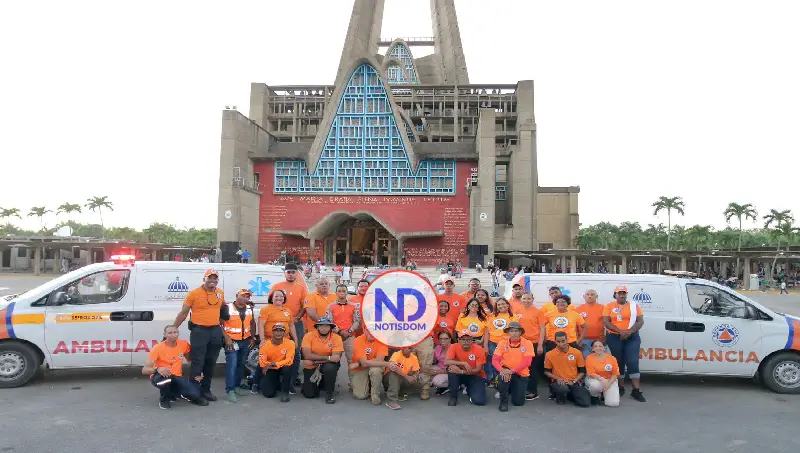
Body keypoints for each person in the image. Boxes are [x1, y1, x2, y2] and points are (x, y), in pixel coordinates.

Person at [172, 268, 225, 401]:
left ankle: (206, 390)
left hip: (215, 331)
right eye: (209, 278)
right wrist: (173, 328)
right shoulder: (194, 294)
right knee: (197, 362)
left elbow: (223, 309)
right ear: (204, 279)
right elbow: (184, 313)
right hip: (199, 331)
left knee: (211, 362)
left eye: (215, 278)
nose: (212, 280)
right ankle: (193, 392)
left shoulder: (220, 293)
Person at [142, 325, 207, 409]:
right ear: (165, 335)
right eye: (170, 333)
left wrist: (197, 373)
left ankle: (176, 394)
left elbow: (190, 361)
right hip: (160, 376)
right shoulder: (158, 348)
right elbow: (144, 370)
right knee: (165, 378)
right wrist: (157, 369)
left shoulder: (183, 344)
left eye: (175, 332)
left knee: (195, 393)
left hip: (177, 377)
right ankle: (164, 400)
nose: (173, 335)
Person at [602, 285, 646, 402]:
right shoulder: (609, 306)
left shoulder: (634, 306)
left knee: (632, 362)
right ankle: (620, 387)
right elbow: (606, 321)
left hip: (632, 336)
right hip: (614, 336)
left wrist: (629, 331)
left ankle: (635, 390)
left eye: (624, 293)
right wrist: (620, 331)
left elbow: (640, 321)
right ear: (615, 294)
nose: (621, 295)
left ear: (626, 294)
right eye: (619, 293)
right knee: (618, 362)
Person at [270, 263, 309, 389]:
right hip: (280, 323)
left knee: (296, 350)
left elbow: (304, 306)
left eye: (293, 272)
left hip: (296, 323)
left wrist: (297, 317)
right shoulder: (277, 286)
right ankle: (279, 375)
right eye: (289, 272)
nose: (291, 274)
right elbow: (272, 302)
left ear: (296, 273)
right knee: (278, 348)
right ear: (285, 273)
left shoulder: (301, 288)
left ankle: (294, 376)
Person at [221, 289, 256, 402]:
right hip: (232, 342)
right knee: (232, 366)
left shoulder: (249, 308)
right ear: (237, 296)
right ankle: (230, 390)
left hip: (245, 341)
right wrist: (226, 338)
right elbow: (219, 323)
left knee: (241, 365)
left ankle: (237, 386)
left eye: (247, 297)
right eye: (242, 296)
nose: (244, 299)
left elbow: (252, 323)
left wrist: (252, 337)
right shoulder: (227, 308)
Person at [492, 322, 534, 412]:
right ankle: (503, 401)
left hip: (521, 374)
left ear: (520, 332)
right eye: (511, 331)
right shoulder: (502, 343)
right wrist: (502, 370)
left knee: (518, 403)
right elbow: (495, 360)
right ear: (508, 332)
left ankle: (509, 389)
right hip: (506, 371)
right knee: (502, 377)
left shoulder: (527, 343)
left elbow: (527, 362)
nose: (514, 333)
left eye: (516, 331)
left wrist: (511, 371)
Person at [300, 317, 343, 403]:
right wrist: (328, 358)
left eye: (327, 326)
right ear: (317, 327)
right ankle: (310, 385)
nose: (324, 328)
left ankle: (329, 393)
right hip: (315, 364)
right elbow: (307, 355)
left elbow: (336, 357)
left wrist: (315, 361)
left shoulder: (336, 337)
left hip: (325, 364)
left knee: (330, 368)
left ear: (330, 327)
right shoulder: (308, 336)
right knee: (310, 394)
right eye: (321, 326)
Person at [325, 284, 361, 386]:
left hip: (350, 337)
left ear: (347, 292)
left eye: (343, 291)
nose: (341, 293)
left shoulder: (353, 306)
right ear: (336, 293)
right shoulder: (330, 306)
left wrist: (349, 331)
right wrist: (340, 332)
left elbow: (357, 320)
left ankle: (353, 384)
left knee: (352, 360)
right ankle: (330, 384)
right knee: (333, 360)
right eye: (339, 291)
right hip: (335, 337)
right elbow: (329, 322)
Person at [544, 331, 591, 407]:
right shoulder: (549, 354)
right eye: (558, 341)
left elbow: (582, 371)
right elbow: (546, 372)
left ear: (567, 340)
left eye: (563, 341)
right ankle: (559, 396)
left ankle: (570, 395)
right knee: (563, 389)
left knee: (585, 403)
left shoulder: (577, 352)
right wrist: (558, 378)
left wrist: (575, 381)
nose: (561, 344)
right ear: (555, 341)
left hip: (573, 381)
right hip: (559, 382)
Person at [516, 291, 544, 401]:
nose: (526, 301)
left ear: (532, 300)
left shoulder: (538, 312)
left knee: (532, 368)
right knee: (522, 367)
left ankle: (533, 391)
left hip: (534, 343)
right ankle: (522, 388)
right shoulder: (517, 311)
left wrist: (540, 345)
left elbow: (542, 329)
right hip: (521, 343)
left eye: (528, 299)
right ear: (521, 299)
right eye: (524, 298)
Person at [444, 334, 487, 406]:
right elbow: (446, 362)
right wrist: (463, 363)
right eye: (463, 339)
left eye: (468, 340)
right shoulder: (453, 346)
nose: (465, 342)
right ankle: (453, 396)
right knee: (451, 368)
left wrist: (461, 371)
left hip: (475, 375)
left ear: (472, 340)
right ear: (458, 340)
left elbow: (478, 370)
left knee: (479, 401)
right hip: (459, 374)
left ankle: (469, 389)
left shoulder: (479, 349)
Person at [349, 330, 390, 405]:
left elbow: (379, 359)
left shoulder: (383, 339)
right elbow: (364, 363)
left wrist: (359, 363)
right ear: (364, 330)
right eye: (368, 330)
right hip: (360, 368)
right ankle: (365, 384)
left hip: (371, 365)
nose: (371, 333)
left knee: (376, 370)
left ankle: (375, 396)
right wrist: (386, 364)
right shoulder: (358, 340)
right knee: (360, 395)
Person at [258, 323, 295, 402]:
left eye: (281, 331)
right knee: (269, 394)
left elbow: (289, 360)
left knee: (287, 368)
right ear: (272, 332)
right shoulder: (265, 345)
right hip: (270, 369)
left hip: (281, 367)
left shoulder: (290, 343)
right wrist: (271, 365)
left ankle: (285, 392)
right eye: (276, 331)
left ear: (285, 333)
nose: (278, 333)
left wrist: (274, 363)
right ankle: (260, 382)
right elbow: (262, 362)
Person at [585, 339, 621, 407]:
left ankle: (604, 394)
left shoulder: (612, 358)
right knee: (595, 385)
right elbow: (591, 373)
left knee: (613, 403)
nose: (598, 348)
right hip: (596, 379)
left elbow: (615, 374)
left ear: (604, 348)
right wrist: (601, 379)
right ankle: (595, 396)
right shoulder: (589, 358)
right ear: (592, 349)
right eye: (595, 346)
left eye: (600, 346)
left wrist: (608, 384)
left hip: (609, 380)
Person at [486, 297, 514, 387]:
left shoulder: (513, 316)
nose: (501, 306)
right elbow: (487, 331)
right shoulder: (492, 316)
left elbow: (514, 331)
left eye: (503, 304)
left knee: (506, 364)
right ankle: (497, 383)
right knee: (494, 364)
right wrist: (485, 345)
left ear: (508, 305)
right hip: (493, 342)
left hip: (506, 344)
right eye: (499, 304)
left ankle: (506, 383)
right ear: (496, 307)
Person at [574, 289, 606, 357]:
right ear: (584, 296)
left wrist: (604, 339)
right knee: (586, 361)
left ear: (596, 296)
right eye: (587, 294)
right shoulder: (578, 309)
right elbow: (575, 327)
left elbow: (607, 325)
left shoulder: (603, 308)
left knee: (600, 360)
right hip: (584, 341)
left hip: (599, 340)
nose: (589, 296)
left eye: (592, 294)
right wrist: (578, 340)